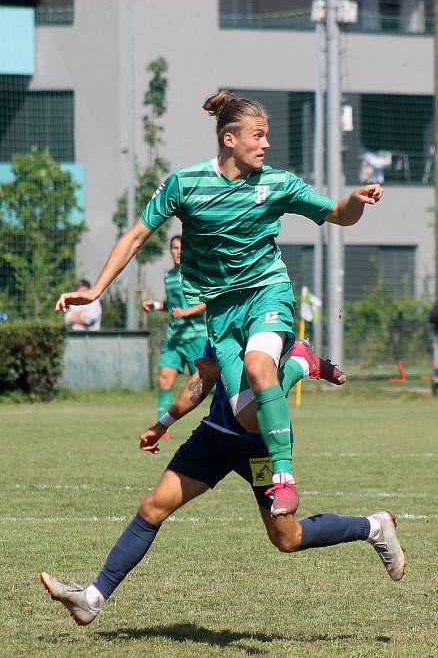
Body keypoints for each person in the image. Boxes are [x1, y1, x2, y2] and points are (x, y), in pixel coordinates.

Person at [56, 90, 381, 516]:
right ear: (230, 139)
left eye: (267, 137)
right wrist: (96, 289)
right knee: (248, 416)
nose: (266, 144)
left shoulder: (277, 184)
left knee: (259, 367)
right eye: (258, 135)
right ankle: (301, 363)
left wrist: (355, 200)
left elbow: (337, 212)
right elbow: (135, 235)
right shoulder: (184, 184)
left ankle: (285, 478)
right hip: (222, 313)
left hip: (267, 292)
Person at [40, 339, 404, 626]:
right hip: (215, 438)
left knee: (287, 538)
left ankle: (373, 527)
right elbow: (202, 381)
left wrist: (297, 363)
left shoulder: (266, 322)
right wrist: (163, 424)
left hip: (261, 445)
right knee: (153, 507)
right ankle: (92, 599)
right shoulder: (221, 316)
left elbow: (264, 387)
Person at [142, 234, 208, 422]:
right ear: (170, 250)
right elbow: (172, 305)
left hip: (196, 336)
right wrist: (155, 306)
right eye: (175, 248)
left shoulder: (196, 274)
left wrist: (187, 312)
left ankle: (225, 422)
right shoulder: (169, 276)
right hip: (175, 337)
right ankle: (161, 428)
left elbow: (208, 302)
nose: (179, 252)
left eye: (182, 248)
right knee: (164, 378)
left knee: (207, 383)